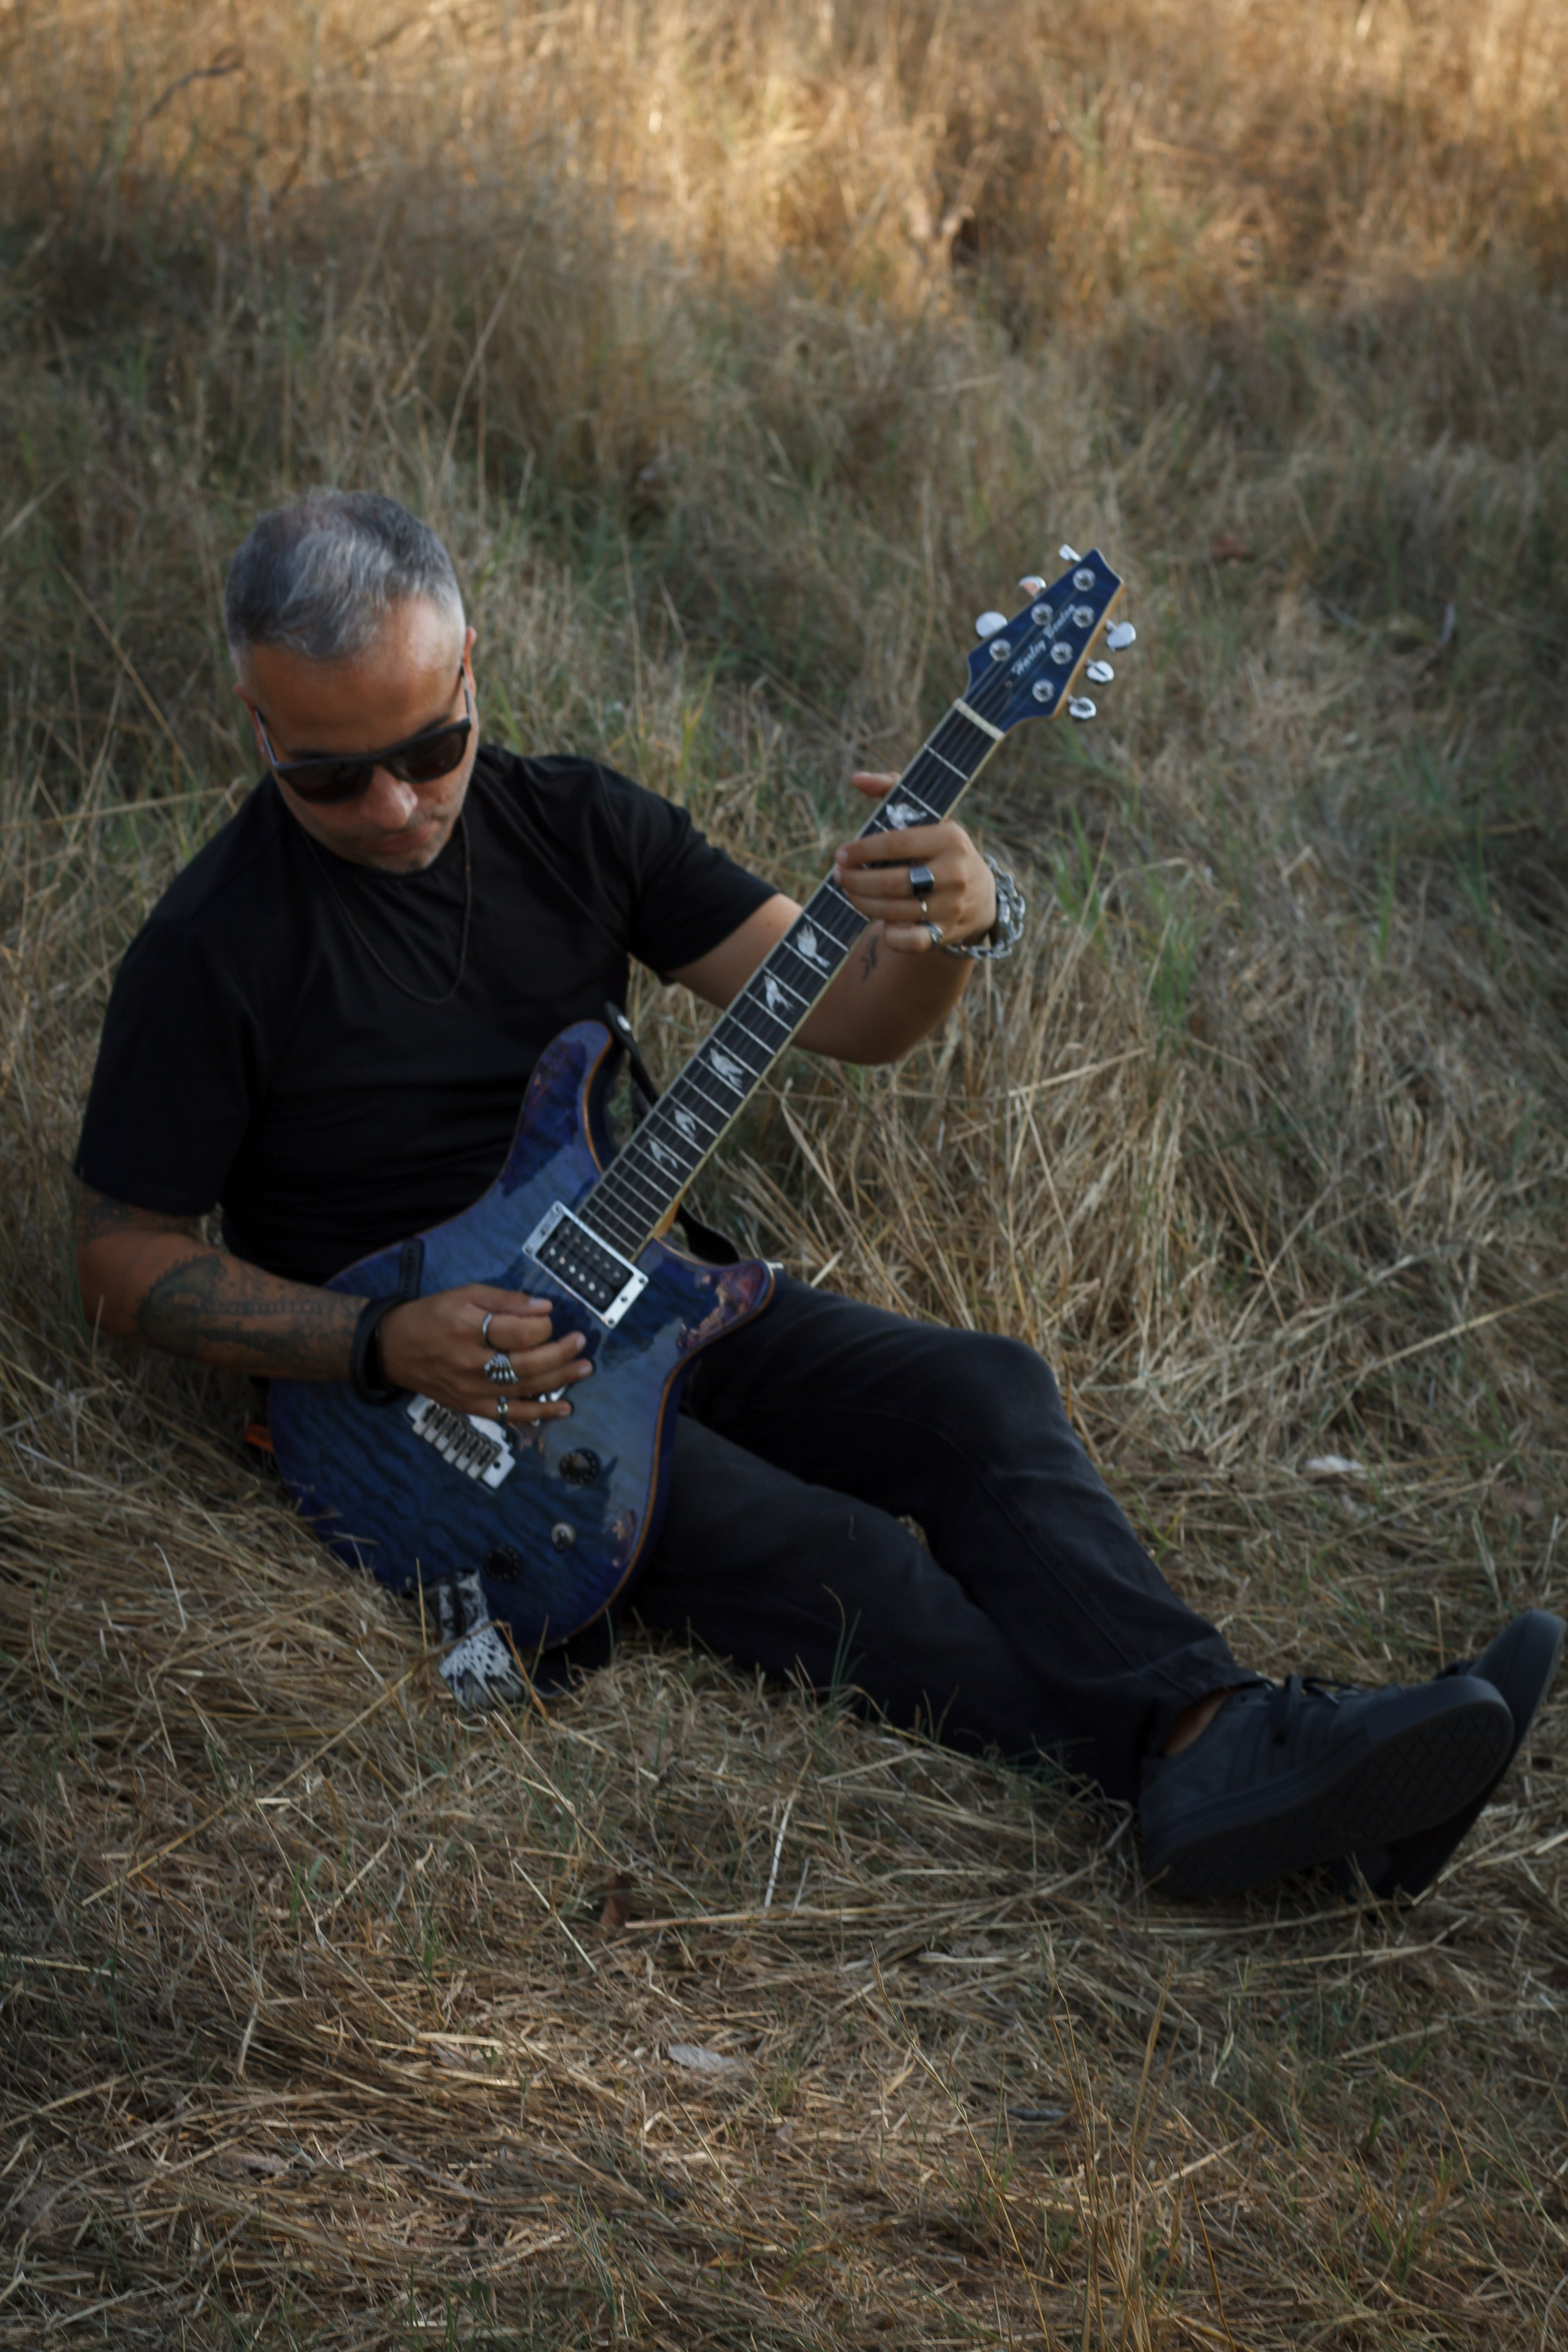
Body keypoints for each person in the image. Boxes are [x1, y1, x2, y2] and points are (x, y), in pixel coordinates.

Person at [72, 492, 1561, 1904]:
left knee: (984, 1392)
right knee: (841, 1559)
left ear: (473, 668)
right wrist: (378, 1341)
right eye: (330, 776)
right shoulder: (212, 946)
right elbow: (121, 1258)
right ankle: (1262, 1774)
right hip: (439, 1424)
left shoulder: (580, 826)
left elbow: (848, 1012)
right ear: (257, 724)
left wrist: (947, 932)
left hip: (651, 1291)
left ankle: (1236, 1750)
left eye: (431, 746)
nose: (397, 804)